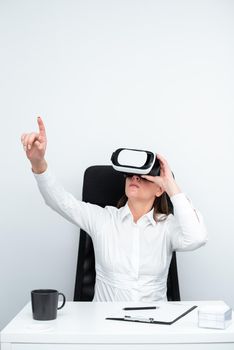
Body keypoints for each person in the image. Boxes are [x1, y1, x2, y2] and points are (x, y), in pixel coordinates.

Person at [21, 117, 208, 302]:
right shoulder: (103, 219)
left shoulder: (167, 226)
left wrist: (171, 186)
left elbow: (197, 238)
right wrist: (38, 163)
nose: (135, 178)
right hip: (105, 325)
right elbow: (60, 201)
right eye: (130, 175)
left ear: (159, 189)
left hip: (153, 325)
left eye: (144, 176)